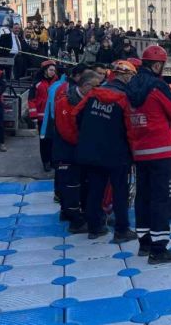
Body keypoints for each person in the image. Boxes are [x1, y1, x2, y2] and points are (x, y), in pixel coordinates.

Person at [125, 45, 171, 264]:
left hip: (140, 151)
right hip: (160, 150)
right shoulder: (158, 87)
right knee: (160, 199)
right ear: (158, 65)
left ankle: (144, 242)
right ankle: (159, 249)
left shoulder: (131, 87)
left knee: (143, 197)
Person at [72, 60, 138, 242]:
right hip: (117, 152)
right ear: (125, 75)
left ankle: (95, 227)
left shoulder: (93, 93)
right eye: (132, 76)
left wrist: (87, 137)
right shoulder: (125, 98)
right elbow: (131, 128)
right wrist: (133, 152)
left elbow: (77, 115)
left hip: (92, 150)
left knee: (95, 189)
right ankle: (122, 230)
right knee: (120, 191)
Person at [53, 70, 102, 233]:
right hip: (67, 151)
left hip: (82, 151)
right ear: (86, 85)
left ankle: (76, 213)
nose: (98, 89)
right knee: (70, 185)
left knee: (81, 183)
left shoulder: (91, 101)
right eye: (96, 86)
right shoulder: (65, 102)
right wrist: (86, 143)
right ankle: (74, 219)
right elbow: (66, 130)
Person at [28, 60, 58, 171]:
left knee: (54, 140)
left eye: (54, 70)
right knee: (44, 140)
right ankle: (45, 161)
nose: (52, 72)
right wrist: (34, 116)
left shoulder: (57, 82)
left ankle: (53, 160)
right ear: (45, 70)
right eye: (50, 70)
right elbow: (31, 100)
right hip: (42, 117)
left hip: (54, 117)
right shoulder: (37, 83)